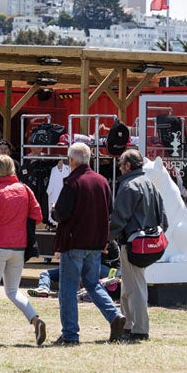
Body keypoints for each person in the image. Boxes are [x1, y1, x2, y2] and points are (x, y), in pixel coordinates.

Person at [52, 142, 126, 345]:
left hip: (74, 242)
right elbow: (108, 213)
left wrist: (52, 211)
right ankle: (114, 315)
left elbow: (61, 214)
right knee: (92, 284)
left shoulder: (72, 182)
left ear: (71, 160)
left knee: (68, 288)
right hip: (95, 243)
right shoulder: (102, 182)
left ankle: (70, 334)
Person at [0, 155, 46, 347]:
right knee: (13, 291)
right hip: (18, 247)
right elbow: (38, 216)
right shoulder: (25, 189)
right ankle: (34, 319)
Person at [109, 149, 167, 342]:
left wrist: (106, 238)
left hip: (132, 243)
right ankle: (126, 325)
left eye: (120, 165)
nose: (120, 169)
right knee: (129, 285)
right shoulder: (151, 184)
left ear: (127, 166)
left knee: (135, 287)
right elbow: (164, 220)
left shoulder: (128, 185)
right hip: (150, 243)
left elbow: (119, 219)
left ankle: (140, 330)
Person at [28, 239, 119, 298]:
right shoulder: (70, 239)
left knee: (84, 271)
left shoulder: (112, 244)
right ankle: (43, 289)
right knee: (45, 273)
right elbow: (57, 256)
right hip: (70, 267)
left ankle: (81, 292)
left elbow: (116, 262)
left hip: (101, 269)